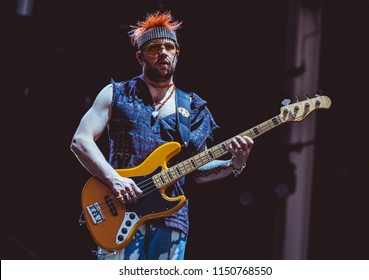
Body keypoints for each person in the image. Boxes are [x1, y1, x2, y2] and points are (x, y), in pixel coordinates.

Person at [70, 10, 254, 260]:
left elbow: (198, 170)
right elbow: (80, 141)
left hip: (171, 220)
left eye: (169, 47)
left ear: (178, 53)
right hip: (120, 210)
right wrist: (115, 180)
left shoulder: (193, 107)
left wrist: (234, 164)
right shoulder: (116, 93)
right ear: (140, 56)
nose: (163, 52)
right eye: (155, 48)